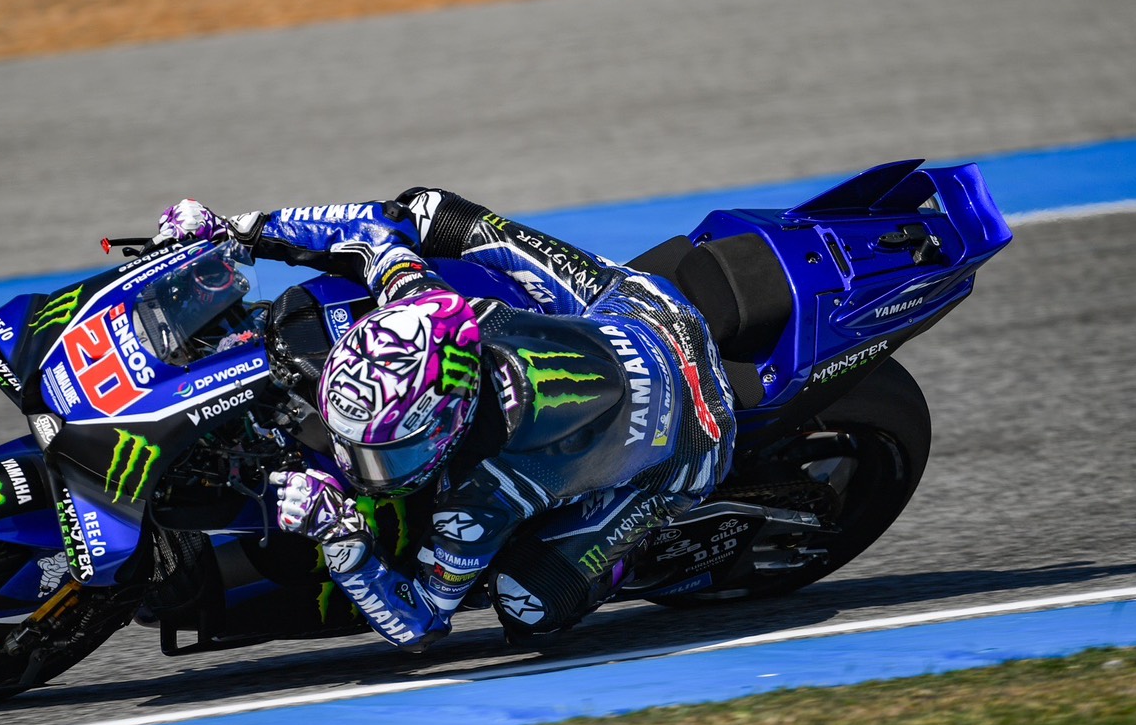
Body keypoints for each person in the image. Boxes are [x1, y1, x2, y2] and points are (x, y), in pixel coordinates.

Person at [154, 189, 736, 651]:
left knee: (527, 603)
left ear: (444, 428)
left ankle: (653, 539)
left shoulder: (483, 499)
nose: (357, 467)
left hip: (696, 435)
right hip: (647, 311)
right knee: (426, 209)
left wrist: (344, 542)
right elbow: (369, 228)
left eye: (383, 454)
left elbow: (422, 624)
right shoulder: (428, 307)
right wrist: (238, 229)